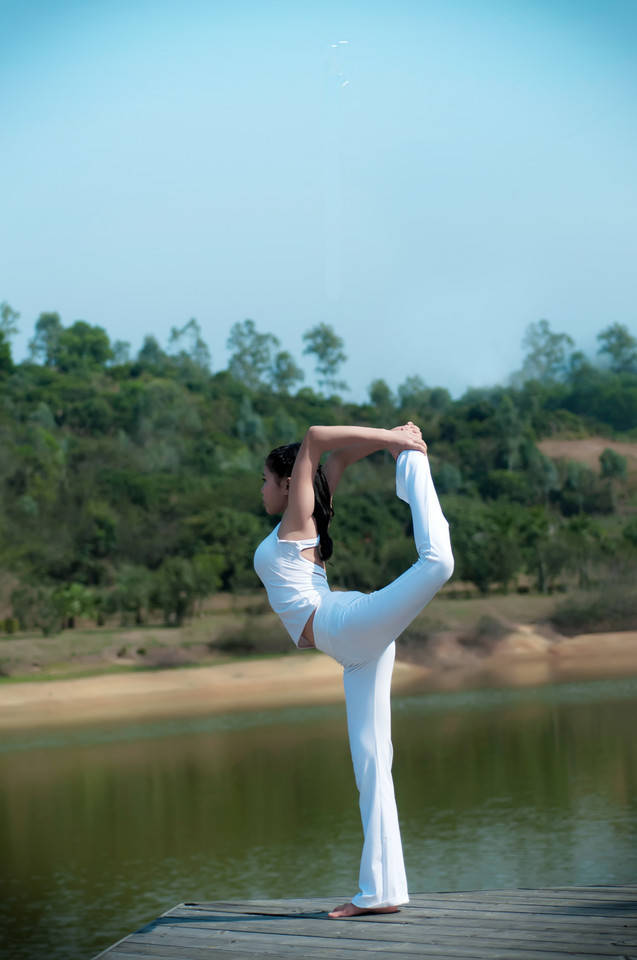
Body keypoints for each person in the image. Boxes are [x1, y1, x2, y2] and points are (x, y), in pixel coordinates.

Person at [253, 423, 454, 919]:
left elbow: (317, 438)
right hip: (354, 646)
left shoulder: (298, 522)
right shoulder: (311, 518)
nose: (260, 488)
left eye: (264, 479)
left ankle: (414, 467)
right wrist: (385, 441)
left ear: (286, 483)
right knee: (371, 763)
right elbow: (336, 462)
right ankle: (381, 891)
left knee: (438, 562)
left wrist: (396, 441)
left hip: (344, 624)